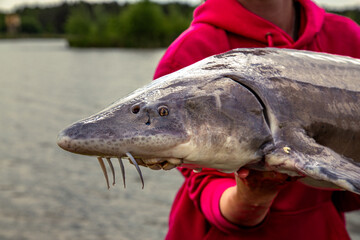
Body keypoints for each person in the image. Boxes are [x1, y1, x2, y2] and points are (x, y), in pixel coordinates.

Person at [153, 0, 360, 239]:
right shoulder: (190, 51)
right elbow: (203, 183)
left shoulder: (346, 36)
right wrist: (252, 199)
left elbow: (346, 193)